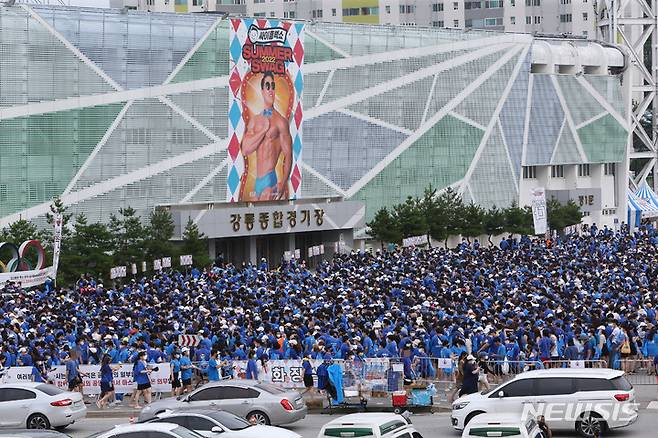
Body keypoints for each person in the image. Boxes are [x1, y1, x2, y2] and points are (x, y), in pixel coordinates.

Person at [240, 71, 293, 201]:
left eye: (273, 86)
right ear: (262, 90)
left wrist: (284, 182)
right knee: (251, 217)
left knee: (264, 216)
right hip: (257, 181)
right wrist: (263, 131)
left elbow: (289, 154)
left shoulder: (281, 122)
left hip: (270, 179)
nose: (271, 90)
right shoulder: (255, 120)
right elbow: (245, 150)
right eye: (268, 86)